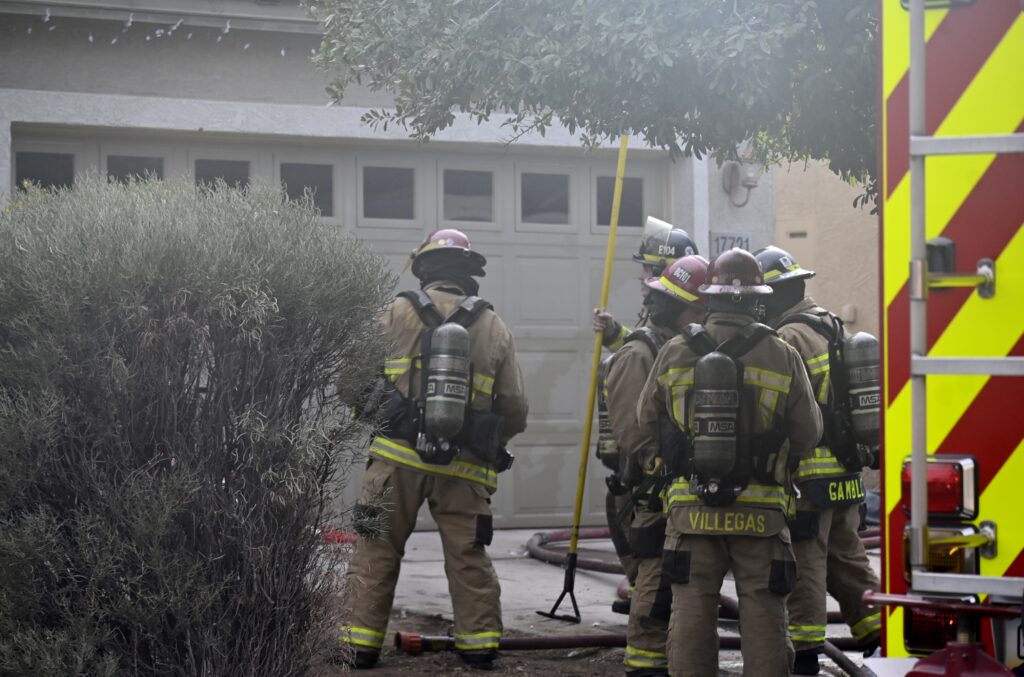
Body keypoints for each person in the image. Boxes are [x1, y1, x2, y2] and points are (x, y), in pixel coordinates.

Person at [340, 228, 529, 671]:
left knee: (375, 549)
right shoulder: (494, 327)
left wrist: (384, 416)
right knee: (469, 557)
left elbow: (350, 382)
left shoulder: (392, 313)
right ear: (469, 273)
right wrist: (487, 440)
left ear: (424, 269)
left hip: (393, 463)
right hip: (465, 469)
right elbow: (515, 409)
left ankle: (357, 646)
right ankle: (479, 647)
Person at [635, 248, 822, 677]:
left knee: (691, 606)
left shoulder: (674, 351)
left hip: (691, 511)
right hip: (762, 514)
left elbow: (645, 421)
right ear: (757, 300)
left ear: (708, 297)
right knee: (765, 610)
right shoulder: (780, 353)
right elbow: (809, 433)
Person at [754, 245, 881, 675]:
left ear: (773, 295)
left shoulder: (787, 338)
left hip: (808, 478)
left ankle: (805, 659)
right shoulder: (831, 325)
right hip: (845, 473)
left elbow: (784, 409)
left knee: (804, 571)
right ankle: (881, 642)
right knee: (849, 564)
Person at [604, 256, 708, 676]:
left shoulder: (681, 347)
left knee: (680, 583)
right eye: (701, 309)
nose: (706, 318)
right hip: (649, 492)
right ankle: (646, 666)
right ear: (681, 308)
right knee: (655, 581)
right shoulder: (639, 353)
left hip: (680, 489)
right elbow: (634, 432)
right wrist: (667, 471)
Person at [593, 217, 699, 614]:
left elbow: (655, 356)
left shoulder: (682, 319)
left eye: (649, 269)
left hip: (661, 470)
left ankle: (649, 608)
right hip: (658, 466)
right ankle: (647, 600)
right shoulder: (672, 316)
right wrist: (616, 333)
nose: (642, 277)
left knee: (652, 550)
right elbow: (650, 347)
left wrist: (656, 468)